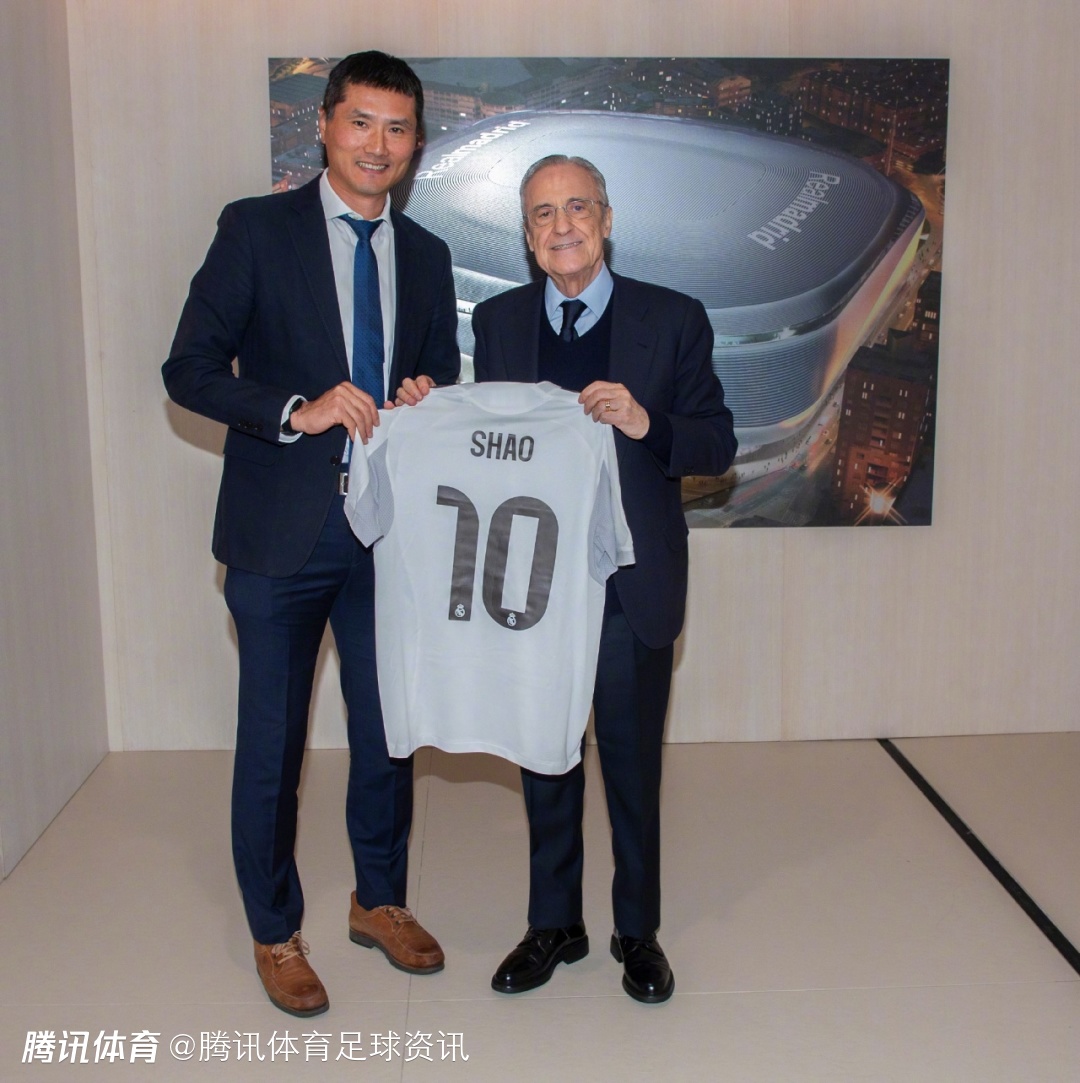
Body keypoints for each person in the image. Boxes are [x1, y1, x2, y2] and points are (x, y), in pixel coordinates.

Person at [162, 51, 459, 1017]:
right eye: (361, 121)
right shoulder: (255, 229)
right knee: (273, 745)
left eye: (397, 128)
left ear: (416, 144)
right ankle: (274, 929)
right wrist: (298, 408)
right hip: (280, 533)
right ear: (325, 126)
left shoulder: (427, 255)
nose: (378, 144)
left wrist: (425, 393)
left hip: (389, 536)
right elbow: (188, 369)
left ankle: (379, 899)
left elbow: (441, 374)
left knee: (386, 732)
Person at [470, 154, 736, 1003]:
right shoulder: (499, 323)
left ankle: (637, 931)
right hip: (535, 584)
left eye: (577, 208)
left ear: (608, 220)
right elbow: (484, 444)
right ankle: (555, 923)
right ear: (527, 235)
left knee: (630, 766)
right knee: (545, 758)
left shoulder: (673, 317)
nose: (562, 227)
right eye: (543, 214)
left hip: (629, 581)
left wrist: (646, 420)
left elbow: (717, 442)